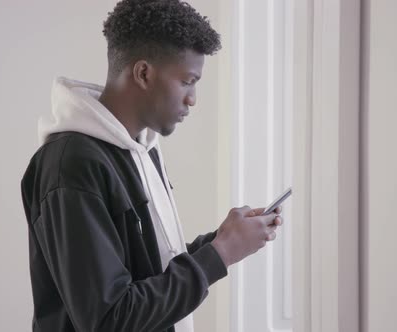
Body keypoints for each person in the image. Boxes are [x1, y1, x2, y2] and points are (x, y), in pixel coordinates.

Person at [20, 0, 283, 331]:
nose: (193, 98)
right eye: (188, 80)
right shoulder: (72, 164)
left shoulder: (140, 150)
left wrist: (222, 240)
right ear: (143, 73)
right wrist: (220, 253)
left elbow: (145, 269)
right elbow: (109, 318)